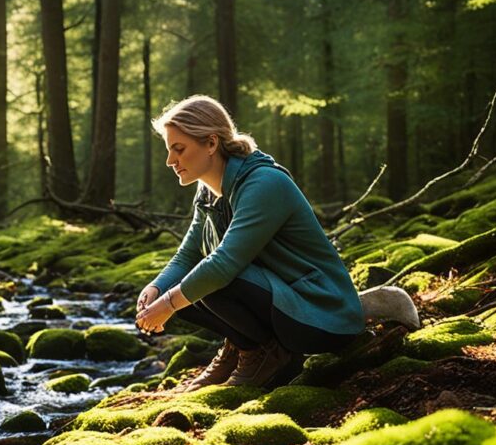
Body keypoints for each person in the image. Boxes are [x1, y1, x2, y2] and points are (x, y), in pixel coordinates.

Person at [135, 95, 365, 391]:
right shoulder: (207, 193)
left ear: (211, 143)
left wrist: (168, 304)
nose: (170, 161)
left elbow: (224, 265)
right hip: (283, 305)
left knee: (215, 278)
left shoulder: (263, 183)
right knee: (184, 283)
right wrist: (155, 289)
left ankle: (271, 354)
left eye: (179, 149)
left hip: (322, 315)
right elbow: (187, 255)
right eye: (169, 151)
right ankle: (246, 348)